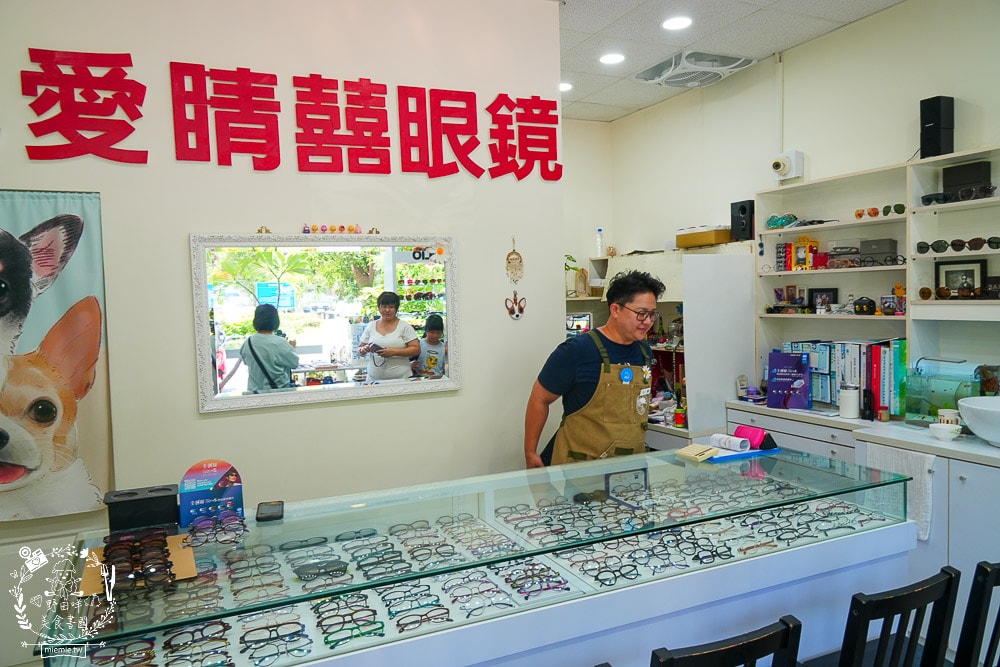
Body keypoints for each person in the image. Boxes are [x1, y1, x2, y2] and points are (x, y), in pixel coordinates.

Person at [524, 270, 665, 468]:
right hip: (582, 470)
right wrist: (530, 452)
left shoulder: (643, 352)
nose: (649, 322)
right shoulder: (577, 351)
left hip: (630, 468)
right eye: (641, 314)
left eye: (652, 314)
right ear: (615, 310)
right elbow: (539, 399)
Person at [358, 291, 420, 381]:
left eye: (391, 307)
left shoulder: (404, 326)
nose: (387, 310)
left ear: (396, 308)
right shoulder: (371, 326)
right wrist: (363, 349)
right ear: (379, 308)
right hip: (374, 380)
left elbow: (416, 349)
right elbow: (360, 348)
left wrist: (394, 352)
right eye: (384, 306)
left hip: (401, 379)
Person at [239, 304, 299, 393]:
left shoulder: (247, 343)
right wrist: (292, 348)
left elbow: (247, 362)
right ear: (275, 321)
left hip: (254, 394)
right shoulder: (280, 342)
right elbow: (294, 363)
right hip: (277, 393)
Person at [411, 313, 448, 379]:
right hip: (420, 379)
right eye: (432, 332)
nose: (435, 335)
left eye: (438, 333)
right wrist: (411, 364)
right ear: (426, 331)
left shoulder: (444, 348)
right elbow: (411, 361)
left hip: (437, 379)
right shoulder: (419, 344)